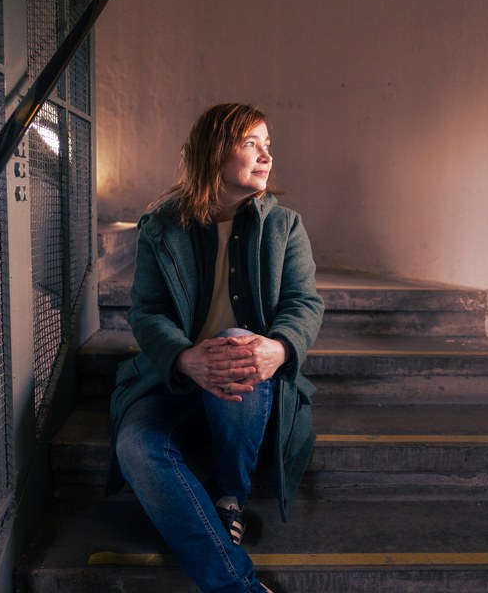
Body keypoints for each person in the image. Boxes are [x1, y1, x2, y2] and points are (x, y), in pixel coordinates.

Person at [105, 103, 324, 592]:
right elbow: (147, 311)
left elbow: (304, 303)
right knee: (136, 446)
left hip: (250, 383)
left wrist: (280, 349)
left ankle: (229, 495)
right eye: (251, 143)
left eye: (267, 145)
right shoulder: (163, 225)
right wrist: (184, 358)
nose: (266, 155)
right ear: (213, 152)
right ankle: (238, 586)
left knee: (237, 342)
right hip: (175, 379)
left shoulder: (285, 226)